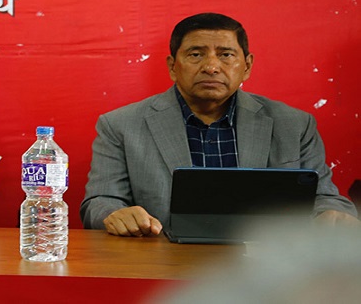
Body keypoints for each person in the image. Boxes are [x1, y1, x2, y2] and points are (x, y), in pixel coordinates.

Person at [80, 13, 358, 237]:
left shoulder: (294, 125)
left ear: (247, 66)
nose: (211, 67)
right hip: (162, 258)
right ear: (172, 66)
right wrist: (114, 214)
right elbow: (100, 201)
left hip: (266, 262)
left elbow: (325, 197)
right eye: (196, 54)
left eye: (226, 54)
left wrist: (332, 214)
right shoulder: (120, 125)